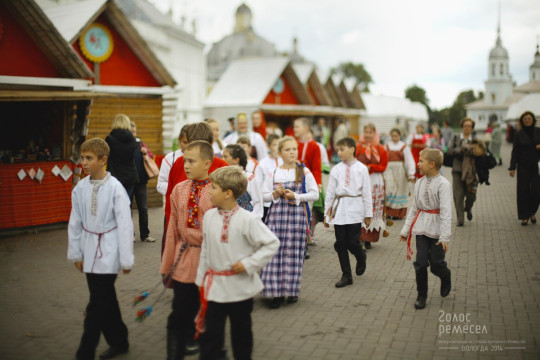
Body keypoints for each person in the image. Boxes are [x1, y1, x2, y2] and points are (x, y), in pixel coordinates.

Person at [195, 166, 279, 360]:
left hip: (240, 288)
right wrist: (201, 281)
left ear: (228, 193)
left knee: (241, 334)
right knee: (211, 336)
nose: (209, 190)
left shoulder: (248, 220)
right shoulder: (208, 217)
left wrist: (249, 264)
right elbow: (206, 249)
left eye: (213, 187)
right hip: (214, 288)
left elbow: (271, 243)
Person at [68, 138, 134, 360]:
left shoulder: (116, 188)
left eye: (89, 158)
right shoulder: (80, 188)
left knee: (95, 305)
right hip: (88, 250)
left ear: (103, 160)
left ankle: (84, 352)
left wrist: (126, 258)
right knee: (106, 300)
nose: (83, 162)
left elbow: (125, 225)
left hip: (109, 250)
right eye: (82, 158)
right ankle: (120, 341)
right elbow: (75, 222)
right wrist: (76, 253)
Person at [160, 141, 214, 360]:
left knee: (207, 314)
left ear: (207, 163)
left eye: (192, 161)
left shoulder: (217, 190)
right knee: (179, 312)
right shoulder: (179, 190)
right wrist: (167, 265)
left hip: (209, 261)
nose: (186, 165)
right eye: (184, 161)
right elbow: (172, 229)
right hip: (184, 259)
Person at [260, 136, 319, 309]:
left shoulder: (303, 171)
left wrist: (297, 196)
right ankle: (276, 293)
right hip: (277, 217)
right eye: (288, 149)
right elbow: (262, 195)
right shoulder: (274, 172)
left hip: (295, 218)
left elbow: (315, 193)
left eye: (294, 149)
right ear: (279, 153)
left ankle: (292, 290)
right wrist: (275, 194)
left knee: (293, 253)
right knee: (275, 252)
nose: (292, 152)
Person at [163, 123, 228, 254]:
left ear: (211, 143)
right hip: (183, 236)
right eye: (193, 144)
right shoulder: (179, 164)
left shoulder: (222, 166)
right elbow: (170, 200)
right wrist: (173, 231)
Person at [400, 149, 452, 310]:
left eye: (421, 161)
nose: (418, 163)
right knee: (420, 263)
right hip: (421, 229)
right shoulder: (419, 183)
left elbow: (446, 212)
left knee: (436, 264)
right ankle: (421, 295)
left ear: (432, 164)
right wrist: (405, 230)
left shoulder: (443, 184)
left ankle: (445, 275)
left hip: (437, 230)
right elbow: (414, 209)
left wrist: (444, 237)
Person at [324, 137, 372, 288]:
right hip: (339, 209)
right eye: (337, 149)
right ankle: (346, 275)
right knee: (340, 243)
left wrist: (368, 214)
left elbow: (367, 193)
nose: (339, 152)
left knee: (352, 241)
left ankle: (360, 255)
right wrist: (327, 214)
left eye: (342, 149)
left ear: (352, 149)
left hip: (355, 208)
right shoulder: (336, 169)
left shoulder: (362, 168)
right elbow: (330, 193)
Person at [356, 123, 389, 248]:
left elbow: (384, 165)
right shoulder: (358, 147)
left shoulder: (380, 149)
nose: (368, 135)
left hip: (375, 180)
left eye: (371, 132)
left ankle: (369, 238)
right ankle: (359, 236)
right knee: (360, 205)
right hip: (360, 180)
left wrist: (372, 167)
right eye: (366, 132)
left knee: (374, 207)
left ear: (375, 133)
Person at [509, 111, 540, 226]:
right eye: (525, 119)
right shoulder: (519, 134)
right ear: (522, 120)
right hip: (522, 166)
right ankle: (524, 216)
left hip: (535, 165)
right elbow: (515, 152)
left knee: (536, 190)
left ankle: (532, 211)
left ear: (533, 120)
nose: (527, 120)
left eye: (529, 118)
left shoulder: (538, 131)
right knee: (523, 191)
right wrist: (512, 167)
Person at [446, 117, 478, 226]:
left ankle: (468, 208)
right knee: (458, 195)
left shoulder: (475, 139)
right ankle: (460, 218)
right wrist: (461, 149)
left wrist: (473, 149)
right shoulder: (455, 138)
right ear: (462, 127)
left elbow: (482, 152)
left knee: (471, 195)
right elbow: (449, 150)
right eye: (465, 126)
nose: (467, 128)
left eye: (469, 126)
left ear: (472, 128)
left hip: (471, 172)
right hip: (457, 170)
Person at [222, 144, 264, 218]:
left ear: (236, 160)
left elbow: (257, 201)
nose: (222, 159)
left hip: (245, 218)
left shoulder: (248, 177)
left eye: (225, 157)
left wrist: (254, 218)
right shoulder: (222, 177)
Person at [130, 121, 155, 242]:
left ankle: (145, 235)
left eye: (134, 132)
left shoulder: (139, 142)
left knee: (143, 208)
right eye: (130, 132)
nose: (132, 134)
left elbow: (151, 155)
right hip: (128, 181)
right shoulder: (123, 144)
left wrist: (146, 152)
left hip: (141, 180)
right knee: (127, 208)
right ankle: (130, 235)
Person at [384, 128, 416, 220]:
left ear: (400, 136)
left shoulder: (404, 147)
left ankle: (397, 214)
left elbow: (409, 160)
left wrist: (411, 174)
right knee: (389, 189)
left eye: (396, 136)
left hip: (400, 171)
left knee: (399, 190)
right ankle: (388, 212)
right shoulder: (387, 146)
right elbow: (383, 158)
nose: (394, 138)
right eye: (393, 136)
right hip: (389, 170)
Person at [105, 114, 138, 199]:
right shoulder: (133, 140)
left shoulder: (109, 139)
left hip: (114, 176)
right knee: (126, 204)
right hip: (130, 176)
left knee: (114, 204)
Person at [255, 134, 283, 221]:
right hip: (268, 203)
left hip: (283, 202)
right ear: (268, 146)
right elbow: (258, 183)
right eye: (274, 145)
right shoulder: (263, 163)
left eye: (279, 145)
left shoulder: (284, 160)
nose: (277, 147)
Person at [157, 125, 188, 196]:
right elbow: (160, 184)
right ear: (179, 140)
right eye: (185, 142)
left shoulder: (201, 158)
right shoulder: (170, 158)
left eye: (191, 142)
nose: (187, 146)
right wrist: (176, 191)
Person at [293, 117, 322, 186]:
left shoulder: (315, 146)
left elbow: (316, 168)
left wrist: (317, 183)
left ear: (305, 128)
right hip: (293, 181)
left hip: (308, 182)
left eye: (297, 127)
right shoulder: (293, 143)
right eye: (294, 127)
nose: (294, 129)